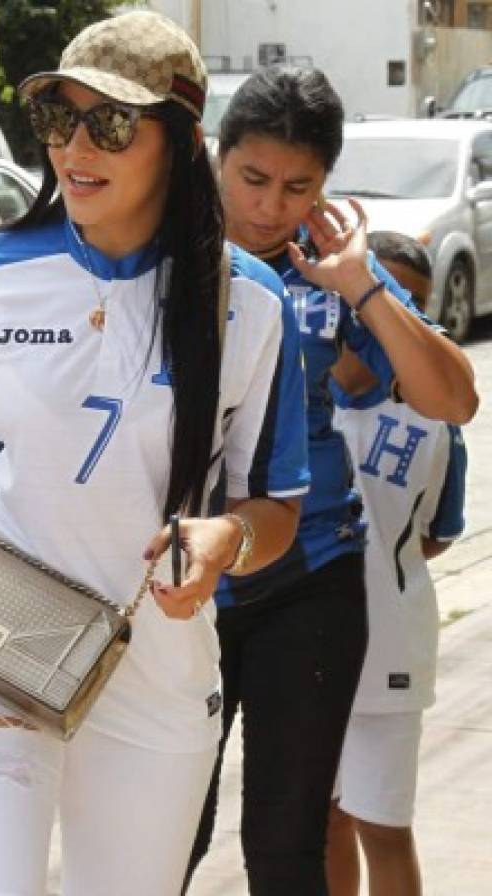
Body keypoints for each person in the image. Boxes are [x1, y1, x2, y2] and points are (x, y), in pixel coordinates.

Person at [0, 12, 313, 894]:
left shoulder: (256, 306)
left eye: (111, 123)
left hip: (157, 671)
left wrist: (223, 543)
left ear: (181, 138)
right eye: (58, 117)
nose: (76, 146)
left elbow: (275, 507)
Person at [185, 68, 478, 895]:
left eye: (297, 186)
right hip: (179, 585)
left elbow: (453, 399)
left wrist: (362, 284)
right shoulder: (165, 253)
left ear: (325, 186)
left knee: (290, 839)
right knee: (170, 823)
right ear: (216, 157)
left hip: (309, 583)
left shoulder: (331, 272)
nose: (271, 207)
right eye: (253, 179)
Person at [324, 232, 467, 896]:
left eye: (417, 309)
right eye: (387, 299)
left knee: (382, 825)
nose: (400, 321)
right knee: (319, 820)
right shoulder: (300, 386)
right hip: (304, 644)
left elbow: (437, 534)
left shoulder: (437, 420)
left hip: (390, 647)